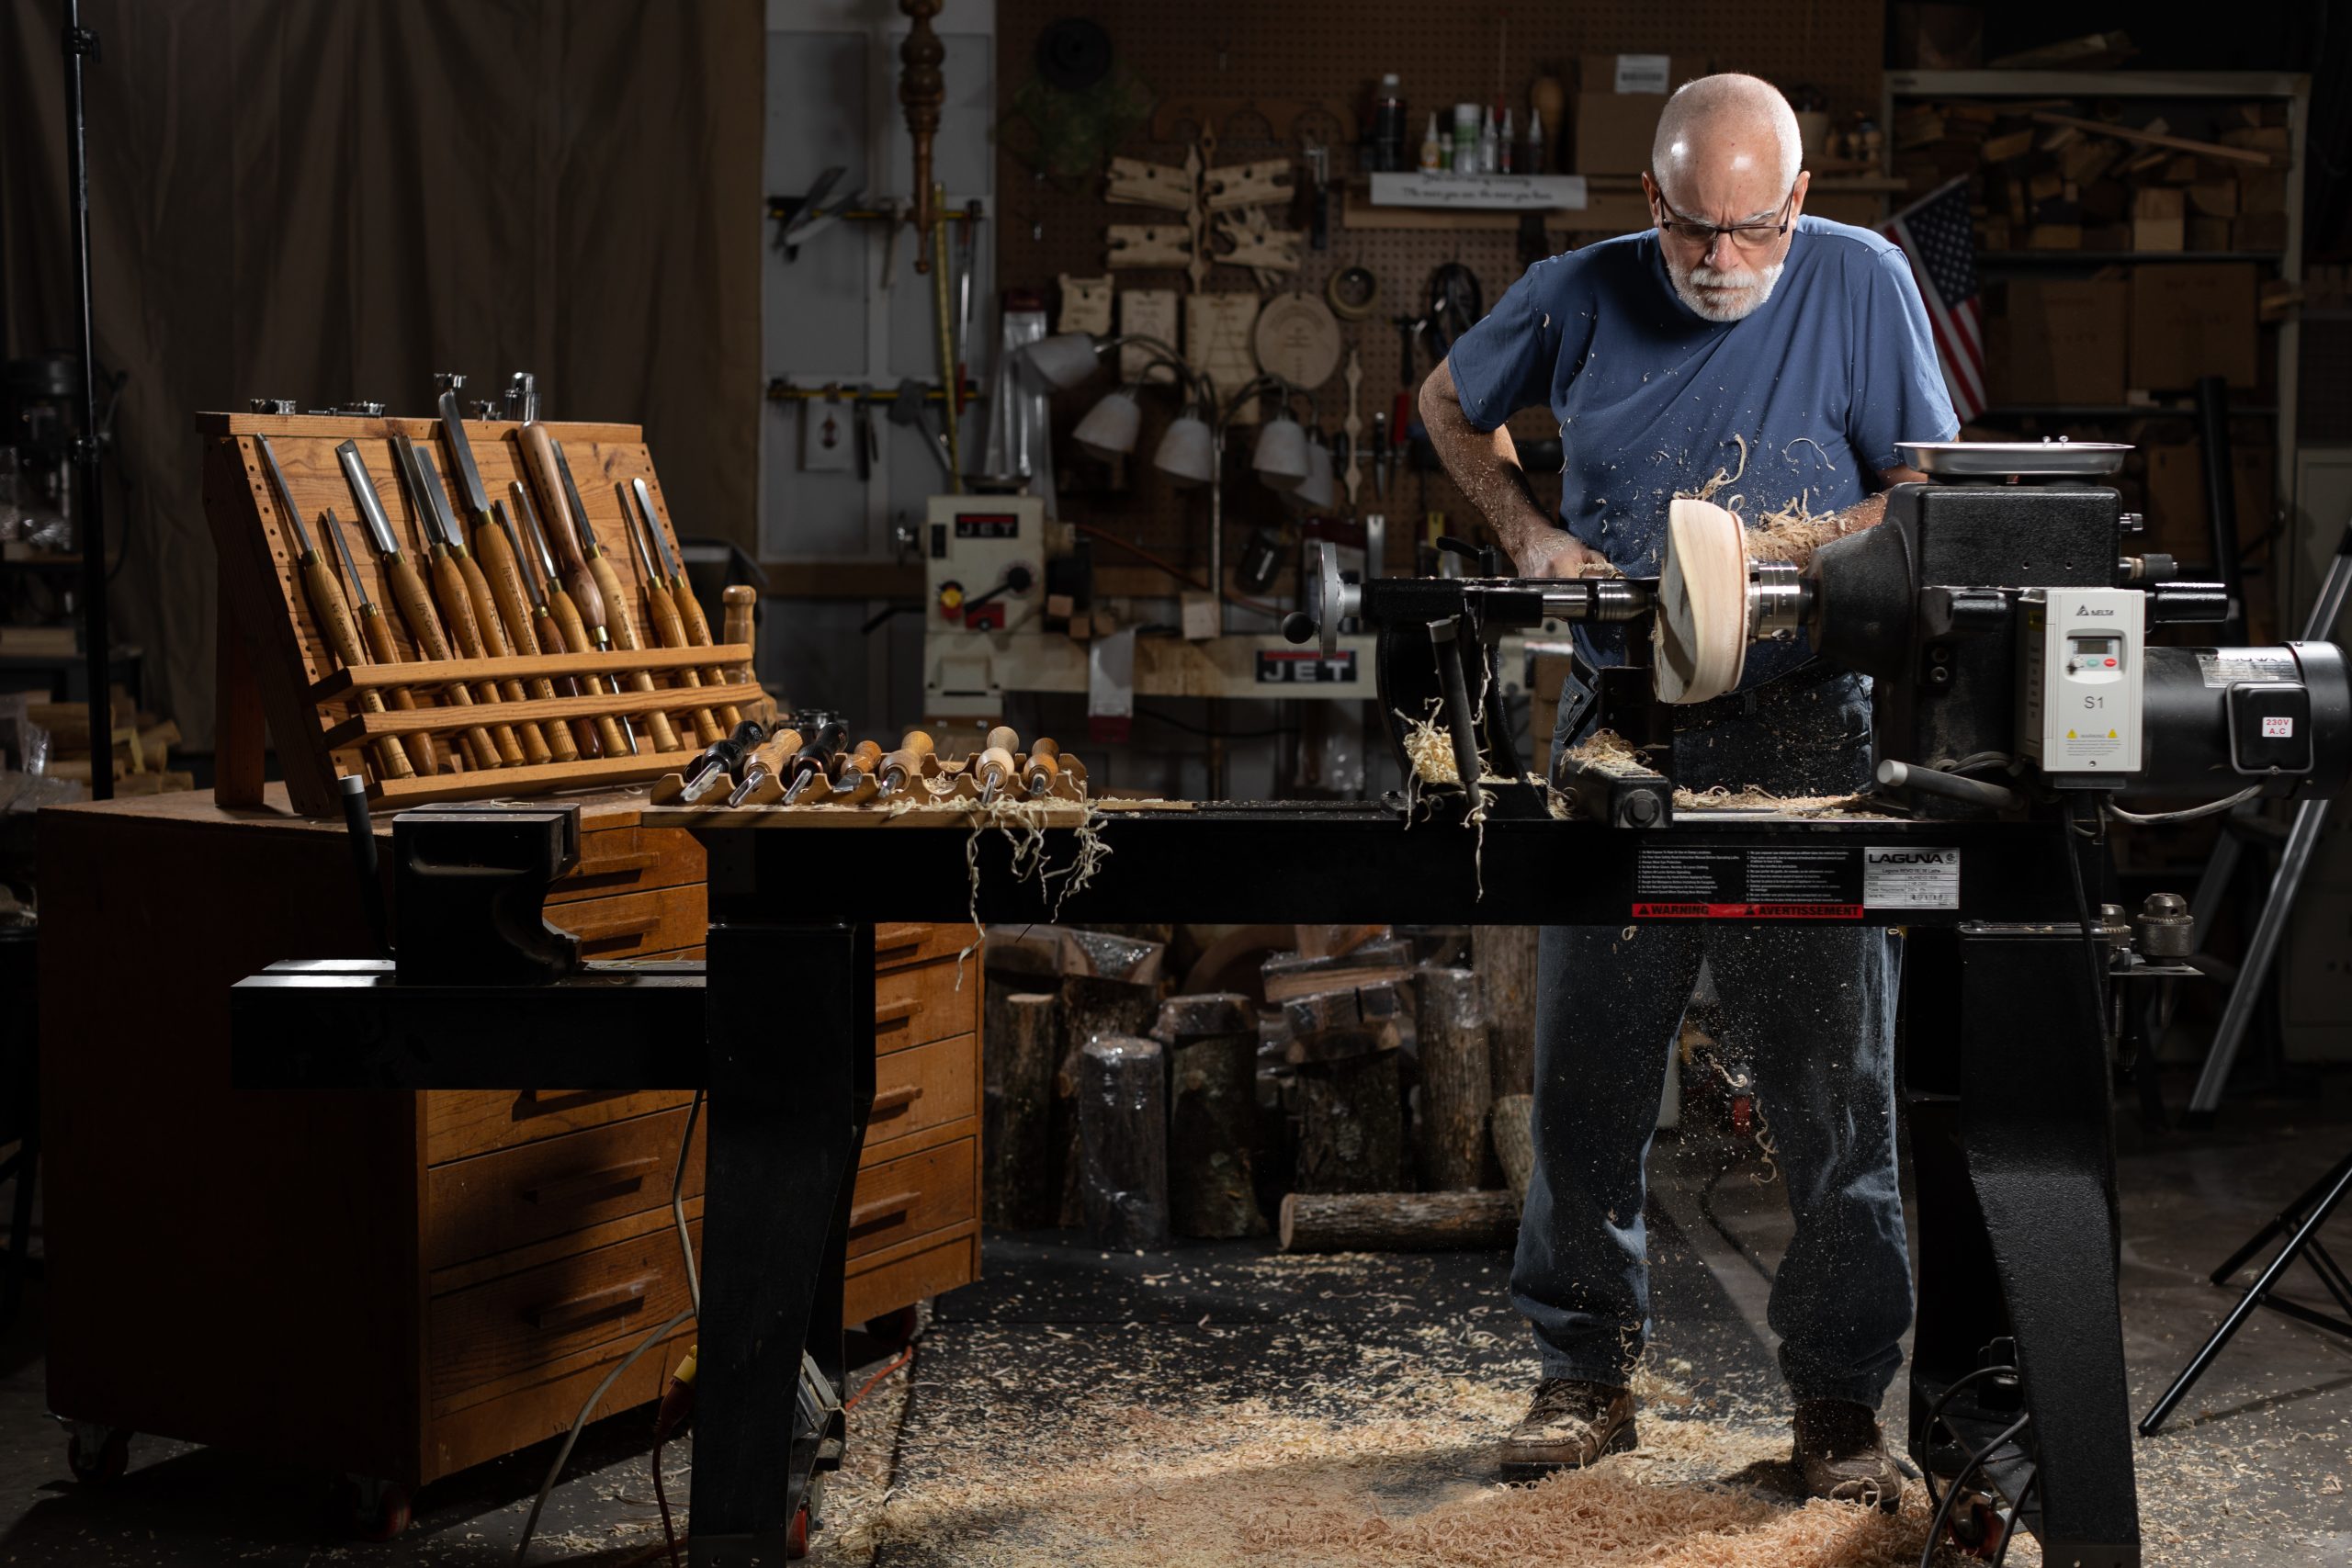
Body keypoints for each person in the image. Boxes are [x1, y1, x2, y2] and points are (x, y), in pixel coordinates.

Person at [1419, 73, 1959, 1509]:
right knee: (1591, 1066)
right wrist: (1528, 531)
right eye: (1694, 233)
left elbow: (1920, 481)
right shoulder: (1578, 289)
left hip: (1802, 726)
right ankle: (1584, 1371)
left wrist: (1799, 551)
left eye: (1753, 233)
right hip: (1622, 718)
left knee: (1832, 1078)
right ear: (1648, 201)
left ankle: (1840, 1403)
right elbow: (1445, 401)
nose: (1724, 265)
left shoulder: (1863, 280)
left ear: (1796, 200)